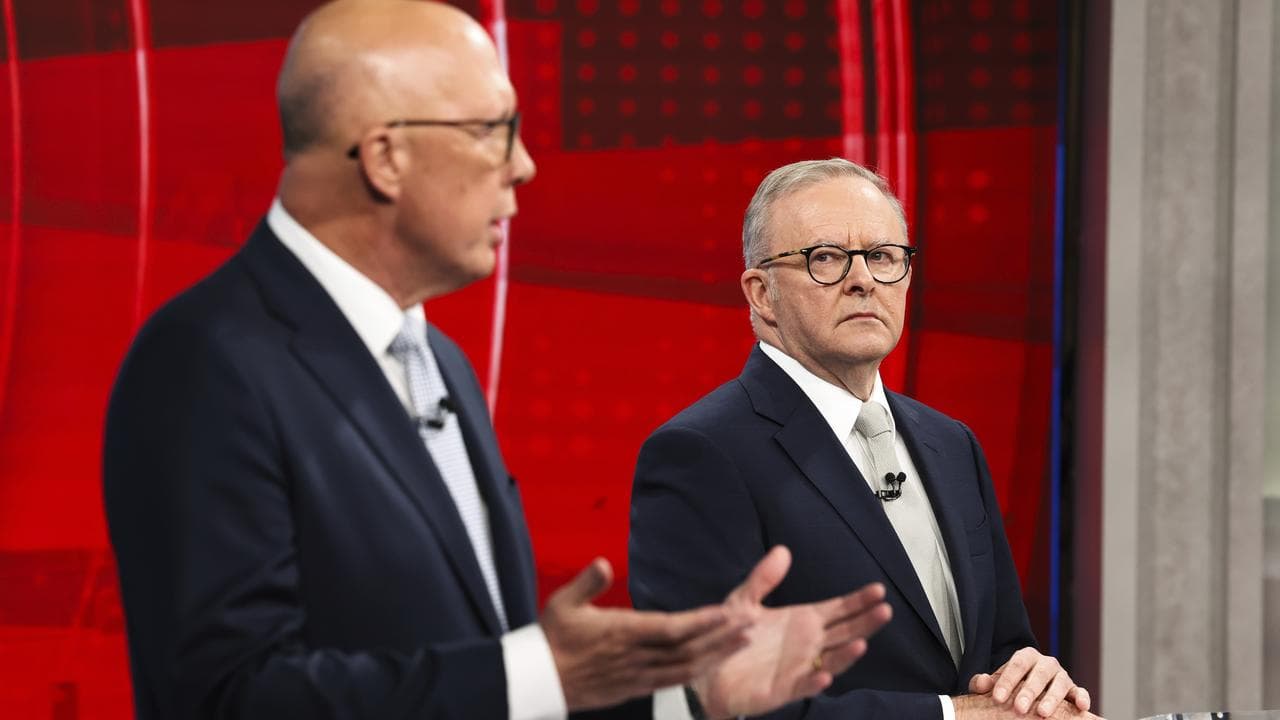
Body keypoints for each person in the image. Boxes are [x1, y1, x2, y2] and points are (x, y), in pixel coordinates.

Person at [101, 5, 893, 720]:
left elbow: (489, 676)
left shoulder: (436, 361)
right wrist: (540, 673)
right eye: (493, 130)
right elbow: (229, 696)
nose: (523, 165)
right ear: (385, 157)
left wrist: (685, 695)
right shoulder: (203, 362)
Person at [628, 159, 1097, 720]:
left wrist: (1029, 682)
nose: (863, 280)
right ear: (762, 294)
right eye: (825, 257)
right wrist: (952, 716)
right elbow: (713, 702)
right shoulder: (700, 455)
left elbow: (997, 647)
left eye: (882, 256)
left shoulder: (952, 445)